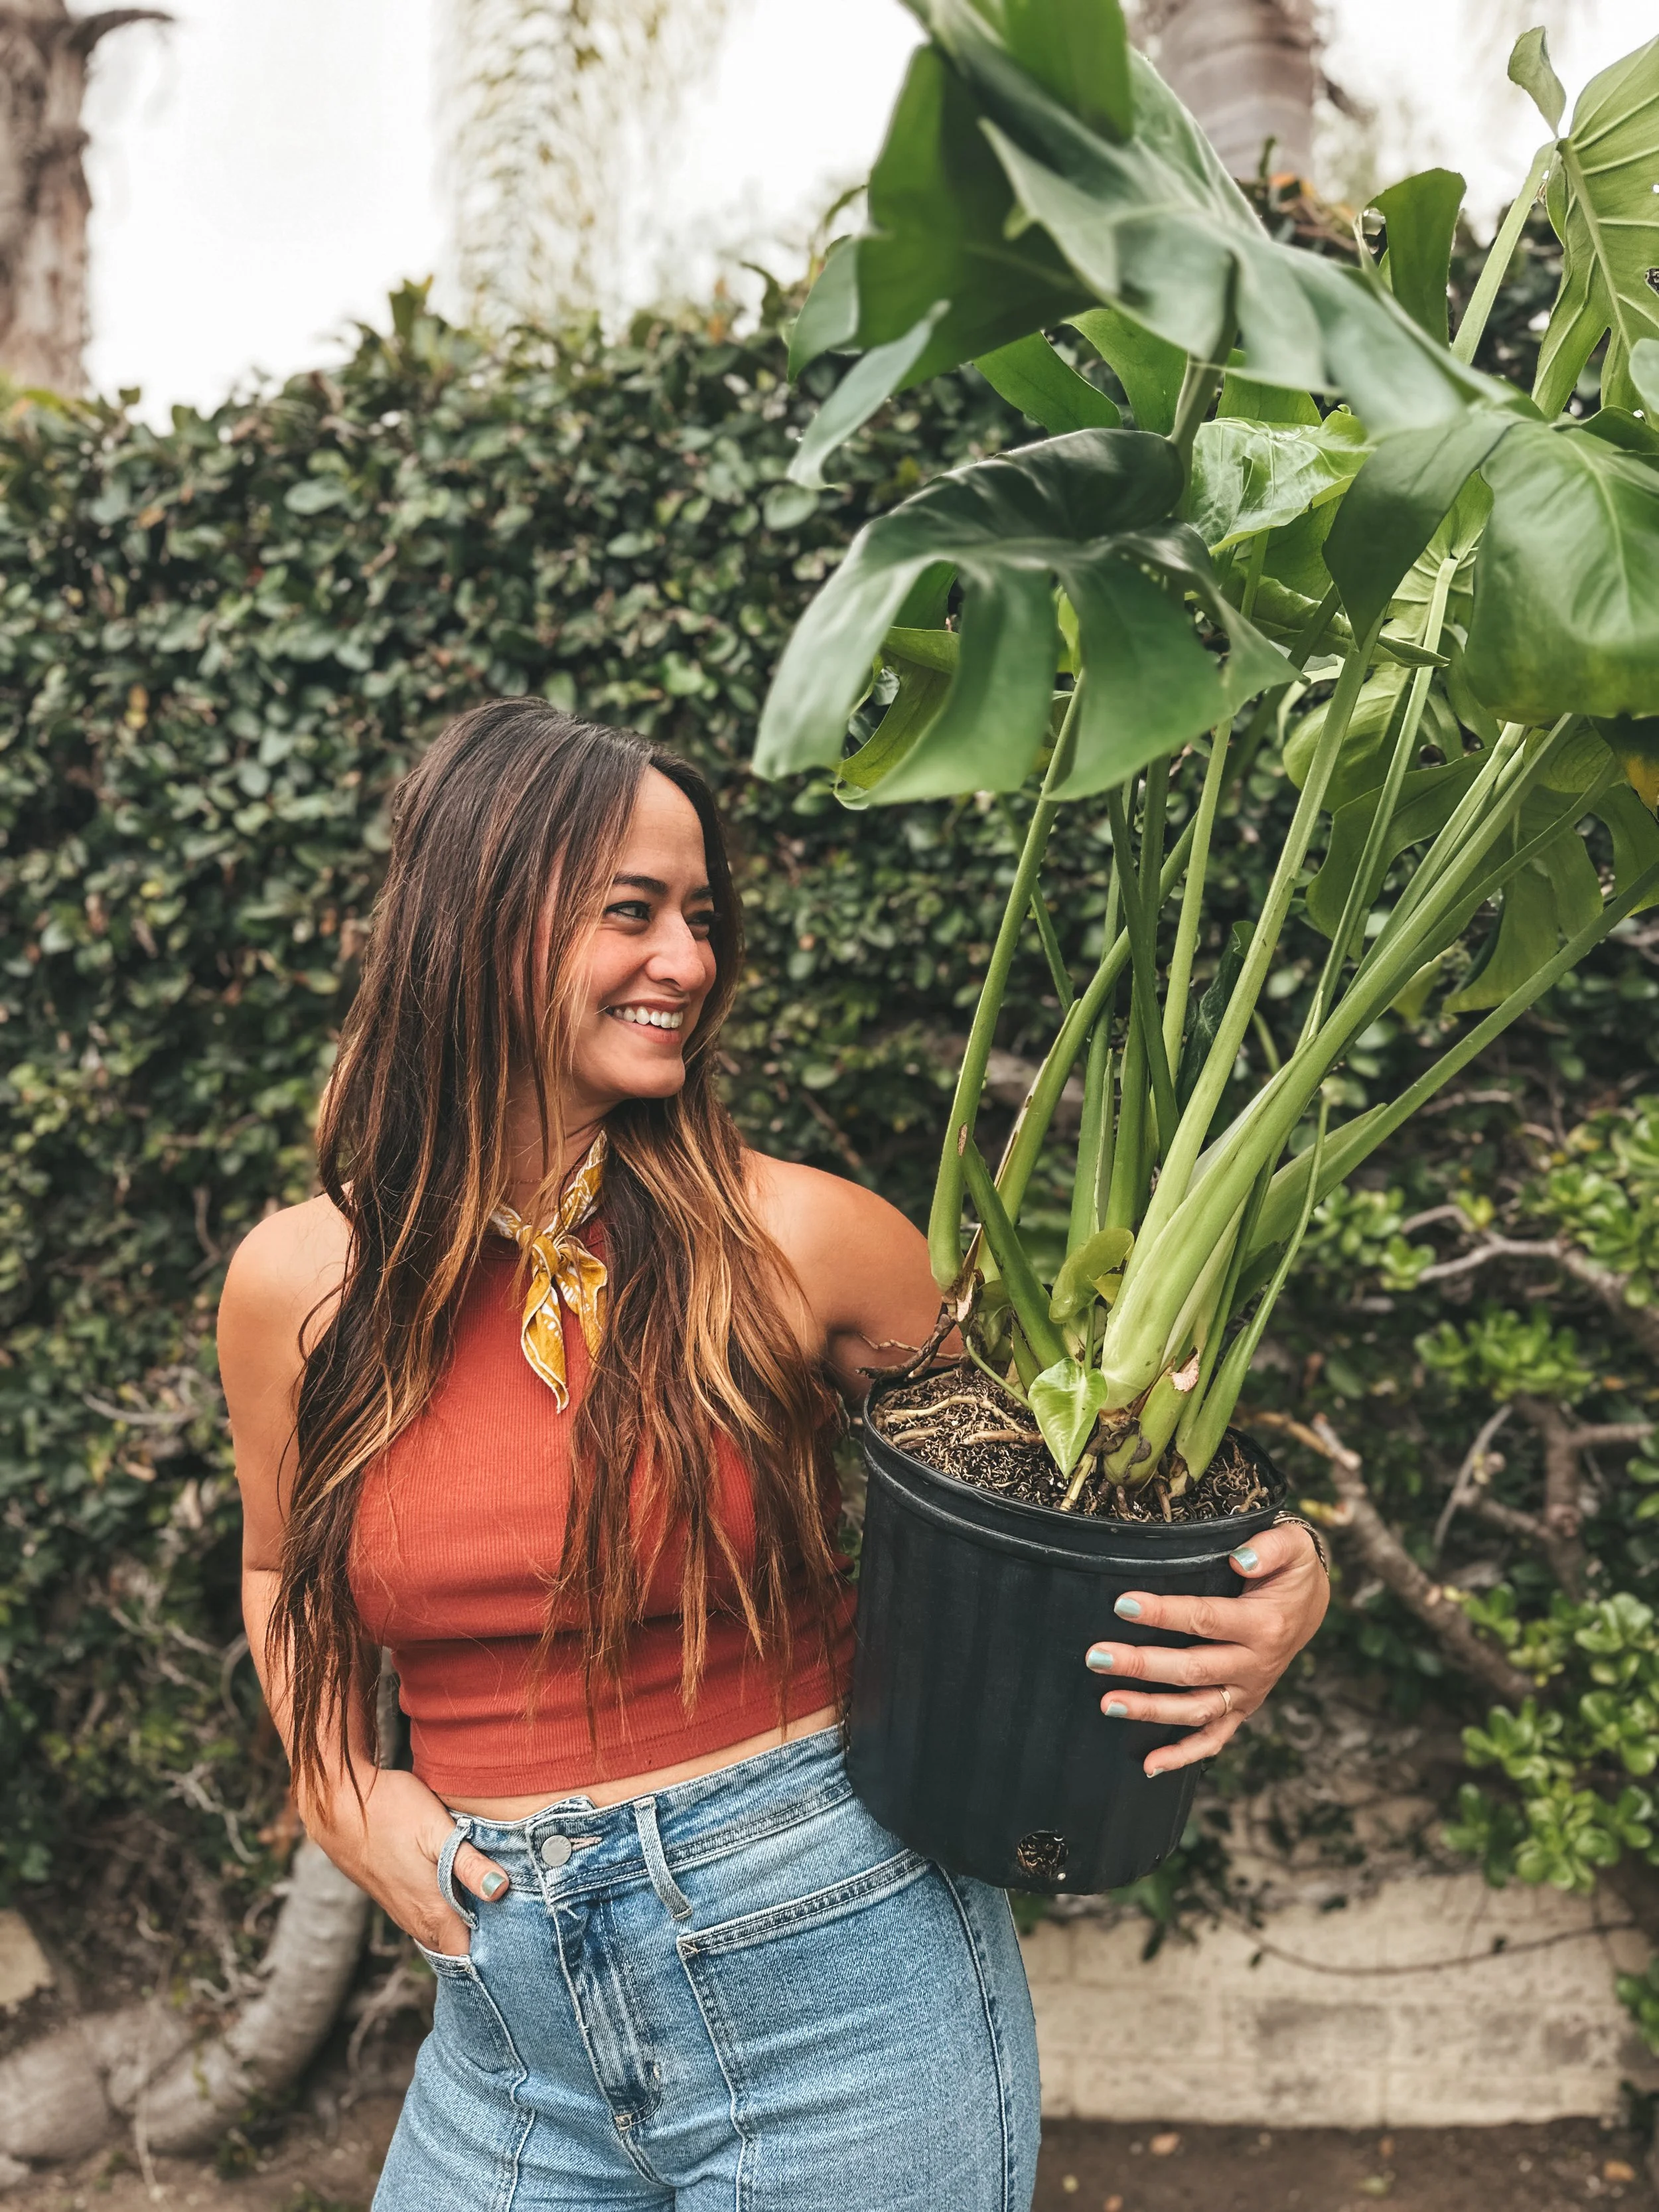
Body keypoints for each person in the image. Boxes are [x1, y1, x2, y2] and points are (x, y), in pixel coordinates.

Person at [219, 703, 1329, 2212]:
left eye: (698, 915)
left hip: (838, 1976)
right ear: (477, 917)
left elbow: (1085, 1481)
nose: (689, 959)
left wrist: (1272, 1579)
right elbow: (284, 1565)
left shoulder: (803, 1240)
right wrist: (339, 1779)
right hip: (505, 2023)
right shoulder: (298, 1285)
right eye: (632, 912)